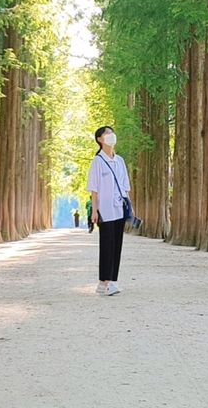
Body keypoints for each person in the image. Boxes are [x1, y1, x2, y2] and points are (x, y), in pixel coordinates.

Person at [86, 126, 131, 296]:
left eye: (112, 132)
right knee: (106, 245)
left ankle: (111, 281)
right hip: (104, 210)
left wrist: (128, 206)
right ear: (99, 139)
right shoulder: (97, 161)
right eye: (106, 133)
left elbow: (125, 186)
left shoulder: (120, 161)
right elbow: (94, 190)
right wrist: (94, 211)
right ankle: (104, 281)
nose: (111, 136)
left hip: (119, 208)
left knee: (117, 245)